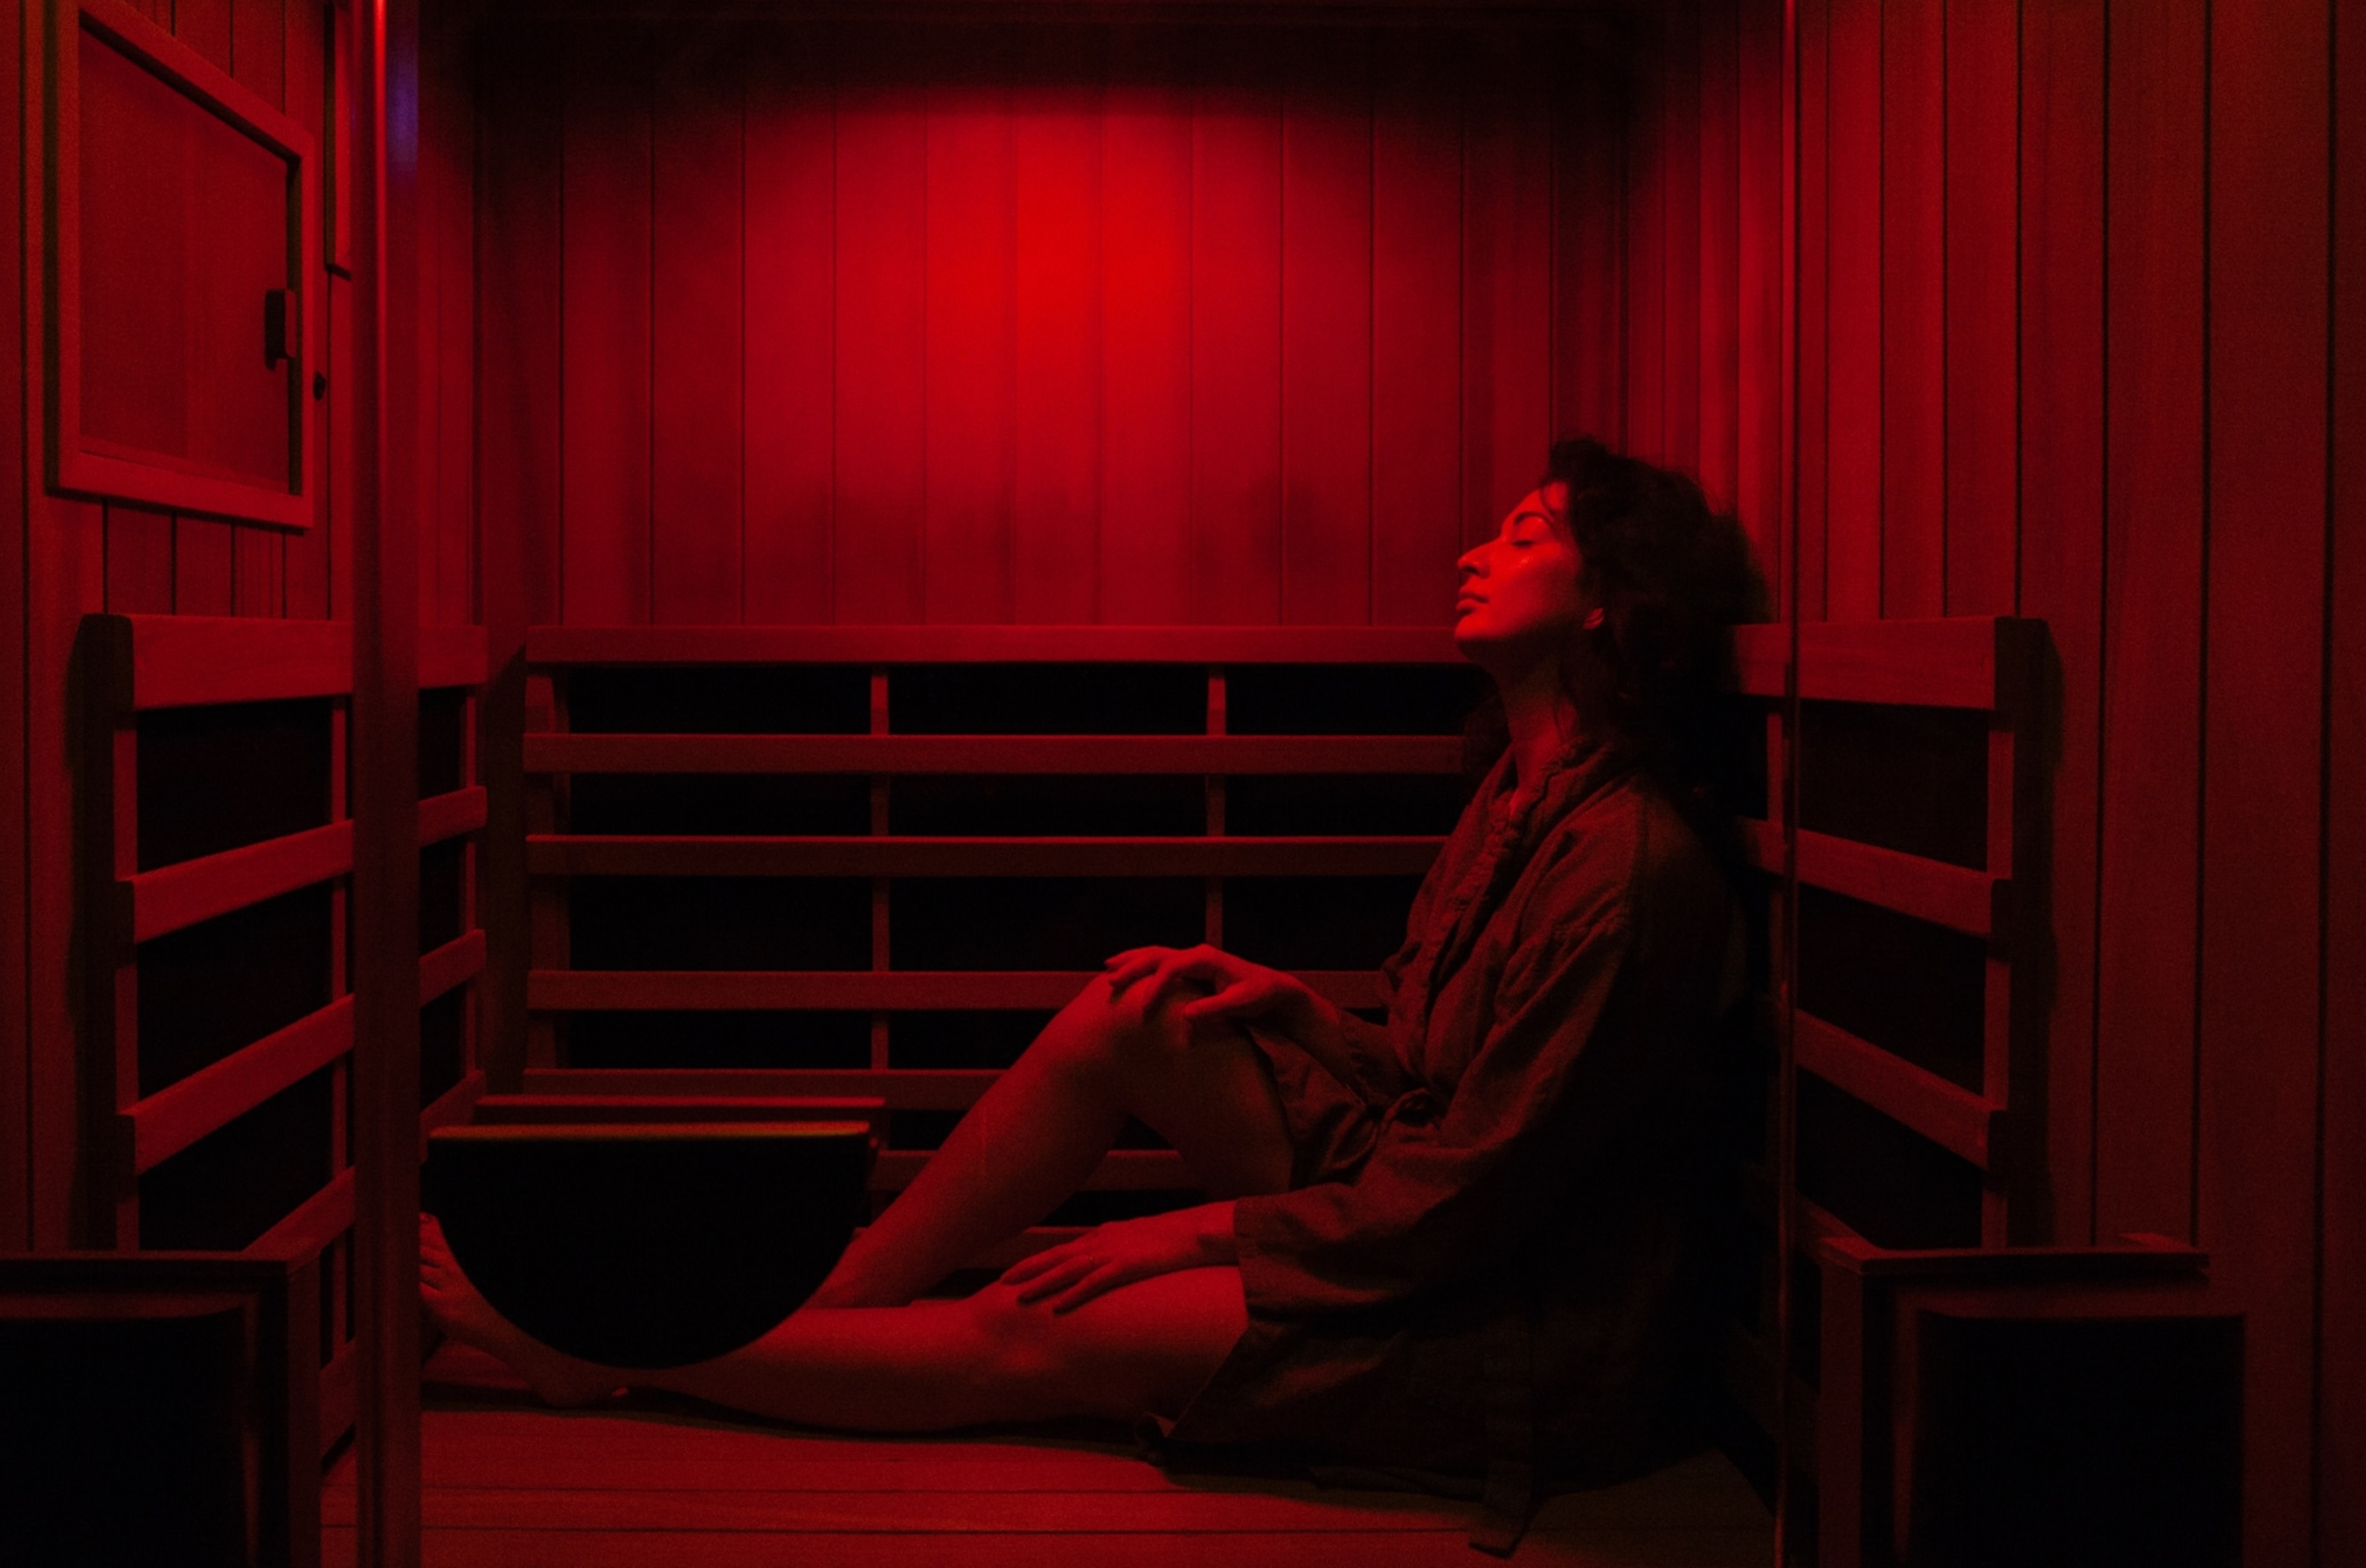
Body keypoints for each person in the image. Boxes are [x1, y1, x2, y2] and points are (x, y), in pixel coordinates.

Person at [421, 436, 1764, 1549]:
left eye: (1526, 536)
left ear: (1609, 602)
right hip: (1440, 1220)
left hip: (1519, 1321)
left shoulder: (1628, 870)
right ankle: (829, 1306)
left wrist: (1195, 1236)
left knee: (1036, 1329)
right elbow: (1441, 1087)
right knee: (1140, 1009)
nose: (1476, 551)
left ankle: (600, 1343)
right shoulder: (1518, 797)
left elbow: (1477, 1191)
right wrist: (1300, 1015)